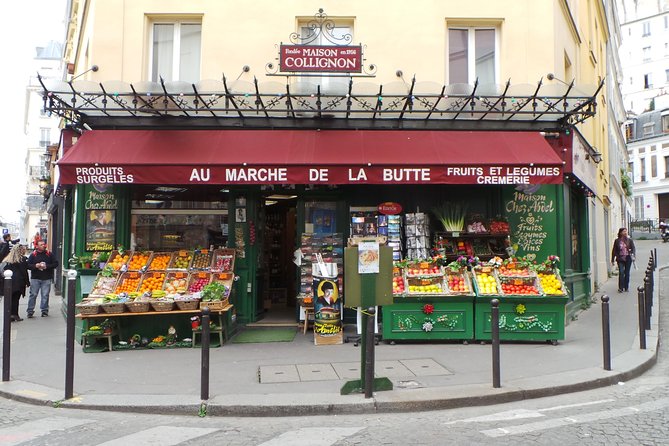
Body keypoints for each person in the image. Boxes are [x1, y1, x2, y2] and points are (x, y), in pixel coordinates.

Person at [26, 240, 58, 318]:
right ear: (37, 246)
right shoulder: (33, 255)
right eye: (41, 245)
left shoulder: (49, 254)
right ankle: (30, 311)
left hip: (46, 278)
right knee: (33, 294)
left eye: (44, 244)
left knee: (45, 295)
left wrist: (47, 266)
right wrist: (35, 266)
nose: (43, 246)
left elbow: (56, 263)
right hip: (35, 278)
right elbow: (27, 265)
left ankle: (44, 311)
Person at [2, 245, 30, 322]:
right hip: (19, 282)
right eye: (23, 249)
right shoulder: (22, 260)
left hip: (9, 282)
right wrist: (27, 282)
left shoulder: (8, 260)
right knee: (15, 299)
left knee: (10, 299)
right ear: (20, 250)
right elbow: (24, 272)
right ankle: (15, 315)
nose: (24, 251)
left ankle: (9, 315)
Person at [611, 227, 636, 293]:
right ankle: (620, 288)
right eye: (624, 231)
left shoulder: (629, 240)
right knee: (621, 272)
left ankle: (626, 287)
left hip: (628, 258)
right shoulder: (617, 241)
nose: (625, 232)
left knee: (627, 273)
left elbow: (633, 248)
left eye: (626, 231)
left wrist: (633, 255)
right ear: (620, 232)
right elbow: (614, 250)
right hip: (620, 258)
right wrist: (612, 259)